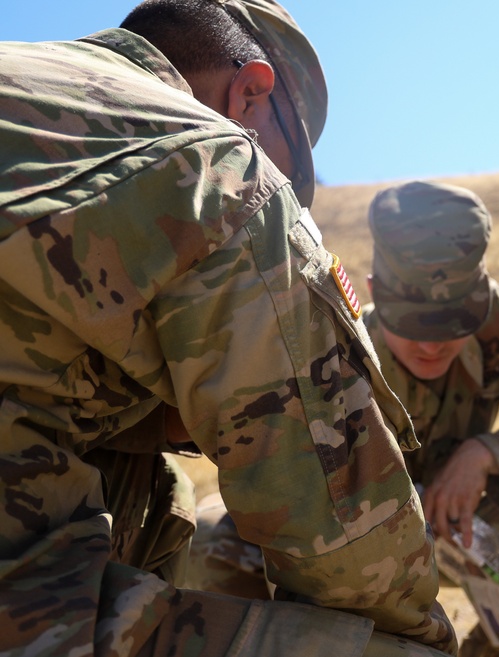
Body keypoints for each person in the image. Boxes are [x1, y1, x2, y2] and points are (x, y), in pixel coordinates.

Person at [0, 1, 457, 655]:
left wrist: (153, 418)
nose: (287, 189)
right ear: (250, 92)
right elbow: (348, 538)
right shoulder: (217, 163)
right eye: (293, 171)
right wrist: (421, 639)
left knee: (149, 485)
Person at [185, 180, 499, 657]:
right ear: (372, 293)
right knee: (205, 538)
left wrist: (488, 453)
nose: (432, 345)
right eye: (414, 324)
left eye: (450, 325)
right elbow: (279, 479)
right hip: (346, 530)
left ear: (480, 298)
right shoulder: (331, 343)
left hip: (460, 528)